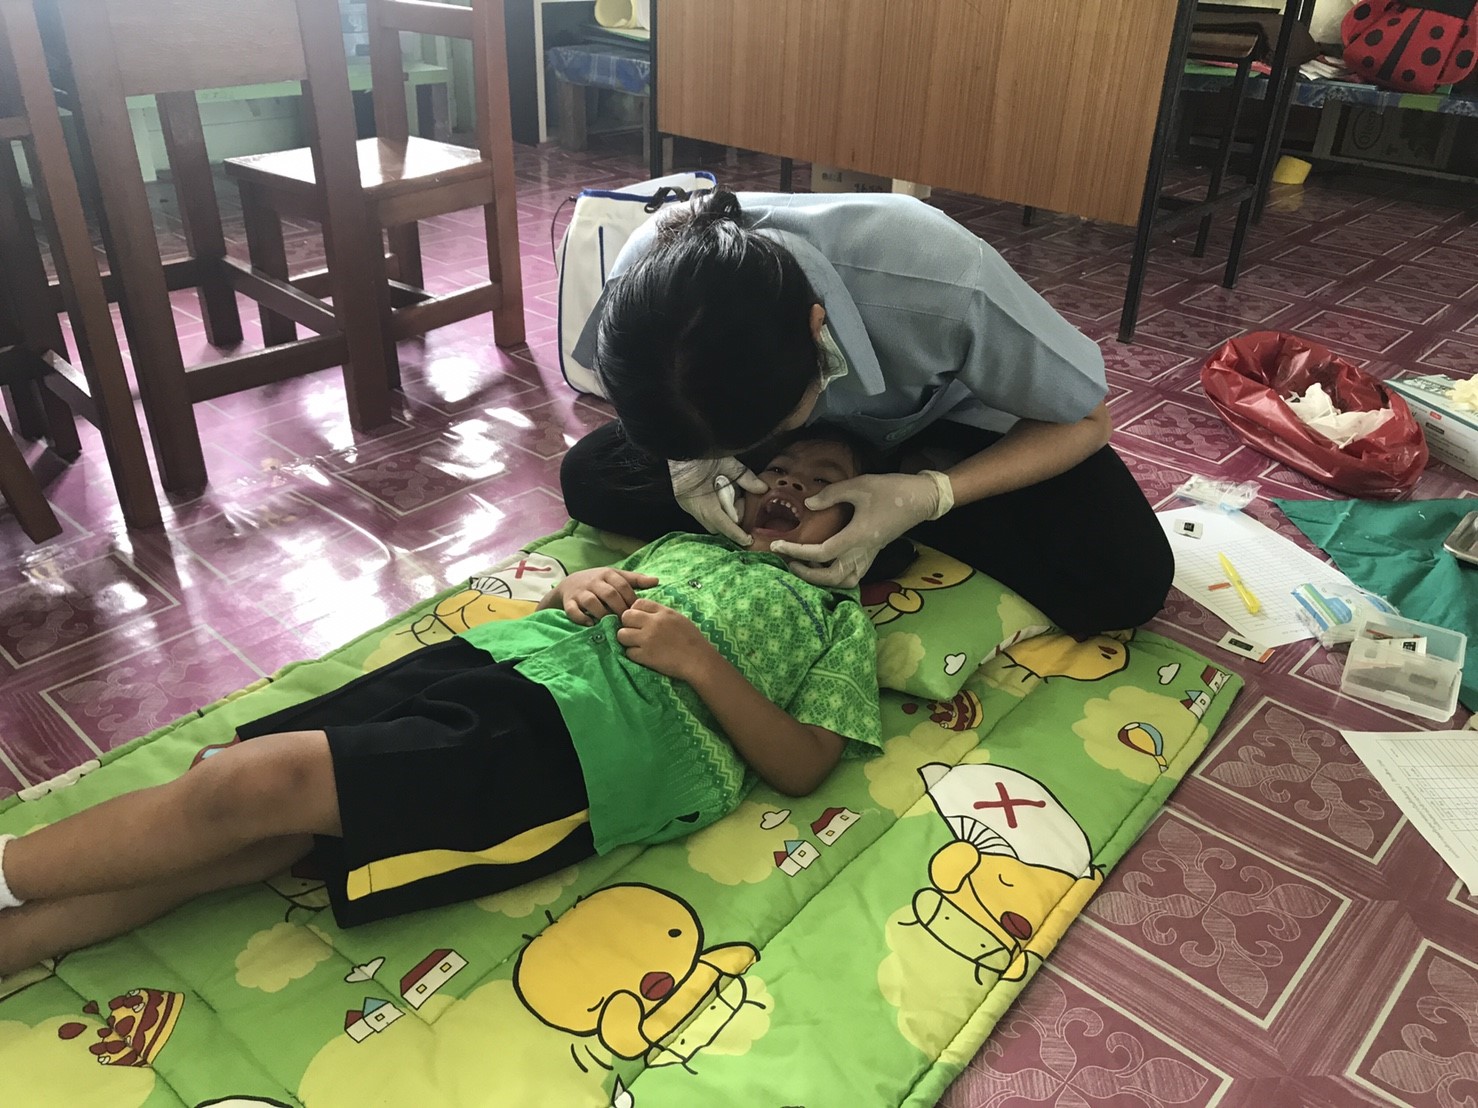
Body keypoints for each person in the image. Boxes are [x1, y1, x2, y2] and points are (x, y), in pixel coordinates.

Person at [0, 429, 883, 975]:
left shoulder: (835, 618)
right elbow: (584, 561)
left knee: (249, 788)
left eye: (822, 482)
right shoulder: (684, 540)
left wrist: (701, 664)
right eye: (779, 467)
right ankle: (21, 939)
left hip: (595, 746)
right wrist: (575, 586)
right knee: (246, 807)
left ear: (869, 521)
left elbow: (806, 764)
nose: (789, 485)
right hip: (494, 662)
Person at [561, 188, 1174, 636]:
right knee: (590, 476)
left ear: (817, 331)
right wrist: (689, 463)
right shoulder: (648, 267)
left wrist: (932, 495)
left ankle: (891, 523)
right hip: (752, 408)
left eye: (765, 433)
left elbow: (1088, 419)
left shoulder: (941, 279)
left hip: (944, 428)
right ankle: (853, 531)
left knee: (1127, 579)